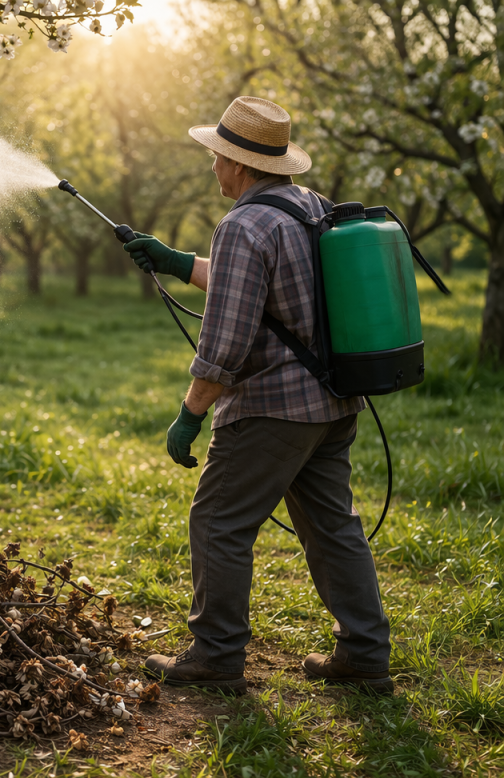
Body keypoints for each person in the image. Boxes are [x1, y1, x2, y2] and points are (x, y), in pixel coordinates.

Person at [123, 96, 393, 695]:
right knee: (332, 527)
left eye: (216, 156)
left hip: (272, 409)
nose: (212, 166)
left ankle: (216, 656)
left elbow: (226, 343)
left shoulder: (243, 225)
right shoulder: (310, 207)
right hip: (331, 403)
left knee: (218, 522)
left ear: (239, 164)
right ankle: (365, 655)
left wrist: (190, 413)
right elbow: (261, 287)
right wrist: (176, 262)